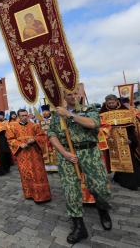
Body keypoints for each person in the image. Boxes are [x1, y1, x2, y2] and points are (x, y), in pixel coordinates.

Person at [48, 90, 112, 244]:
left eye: (76, 93)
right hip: (68, 155)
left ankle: (102, 208)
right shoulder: (57, 115)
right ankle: (78, 226)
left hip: (89, 151)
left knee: (99, 187)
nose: (73, 96)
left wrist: (69, 115)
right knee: (71, 190)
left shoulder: (89, 109)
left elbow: (93, 124)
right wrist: (64, 153)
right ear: (64, 97)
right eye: (69, 94)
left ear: (80, 95)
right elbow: (51, 134)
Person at [6, 109, 51, 203]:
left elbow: (42, 136)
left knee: (38, 174)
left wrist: (34, 139)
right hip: (22, 155)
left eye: (26, 115)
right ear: (18, 117)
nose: (24, 117)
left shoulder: (35, 125)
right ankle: (30, 194)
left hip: (35, 154)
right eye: (22, 115)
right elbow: (10, 140)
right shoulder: (13, 127)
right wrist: (19, 144)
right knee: (26, 174)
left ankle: (42, 196)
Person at [99, 94, 140, 190]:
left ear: (117, 101)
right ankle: (119, 178)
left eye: (112, 102)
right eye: (109, 103)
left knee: (130, 161)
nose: (111, 104)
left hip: (125, 140)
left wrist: (131, 139)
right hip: (112, 141)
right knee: (116, 161)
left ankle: (131, 182)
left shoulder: (125, 111)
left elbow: (131, 127)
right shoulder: (102, 114)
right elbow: (100, 128)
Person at [38, 104, 58, 172]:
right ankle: (48, 167)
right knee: (46, 152)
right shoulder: (40, 121)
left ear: (49, 111)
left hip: (53, 138)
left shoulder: (53, 119)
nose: (45, 113)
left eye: (46, 111)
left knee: (54, 151)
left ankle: (56, 167)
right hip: (44, 140)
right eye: (44, 111)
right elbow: (39, 130)